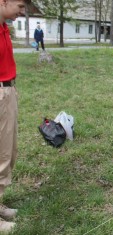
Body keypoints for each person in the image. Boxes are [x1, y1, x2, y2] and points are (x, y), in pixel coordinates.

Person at [0, 0, 30, 233]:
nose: (23, 11)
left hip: (8, 90)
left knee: (8, 151)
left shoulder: (3, 27)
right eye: (19, 5)